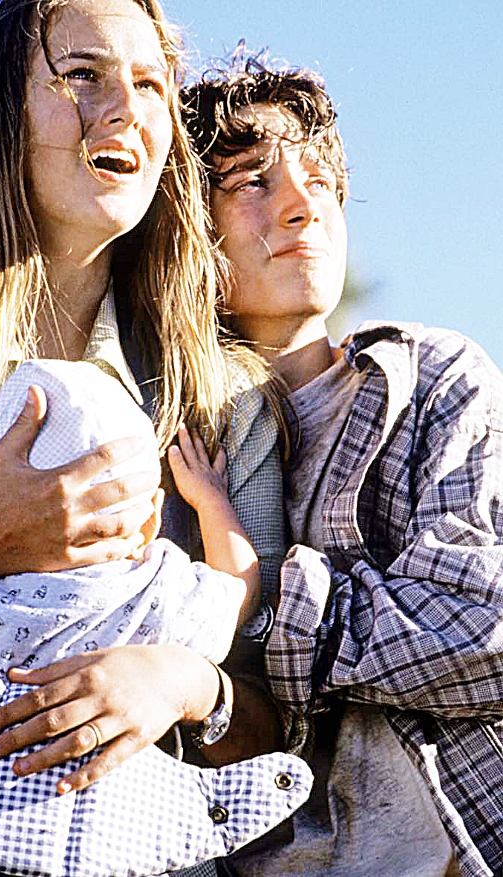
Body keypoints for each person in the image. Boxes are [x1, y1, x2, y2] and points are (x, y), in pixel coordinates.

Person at [0, 2, 290, 875]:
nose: (125, 107)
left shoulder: (225, 400)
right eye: (82, 74)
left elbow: (282, 733)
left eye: (150, 85)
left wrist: (185, 684)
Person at [181, 54, 503, 877]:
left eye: (319, 180)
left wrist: (262, 600)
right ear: (189, 233)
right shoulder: (175, 441)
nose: (302, 205)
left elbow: (484, 629)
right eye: (251, 182)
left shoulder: (429, 378)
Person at [0, 359, 312, 876]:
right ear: (150, 521)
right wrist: (210, 499)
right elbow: (241, 593)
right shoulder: (158, 589)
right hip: (119, 831)